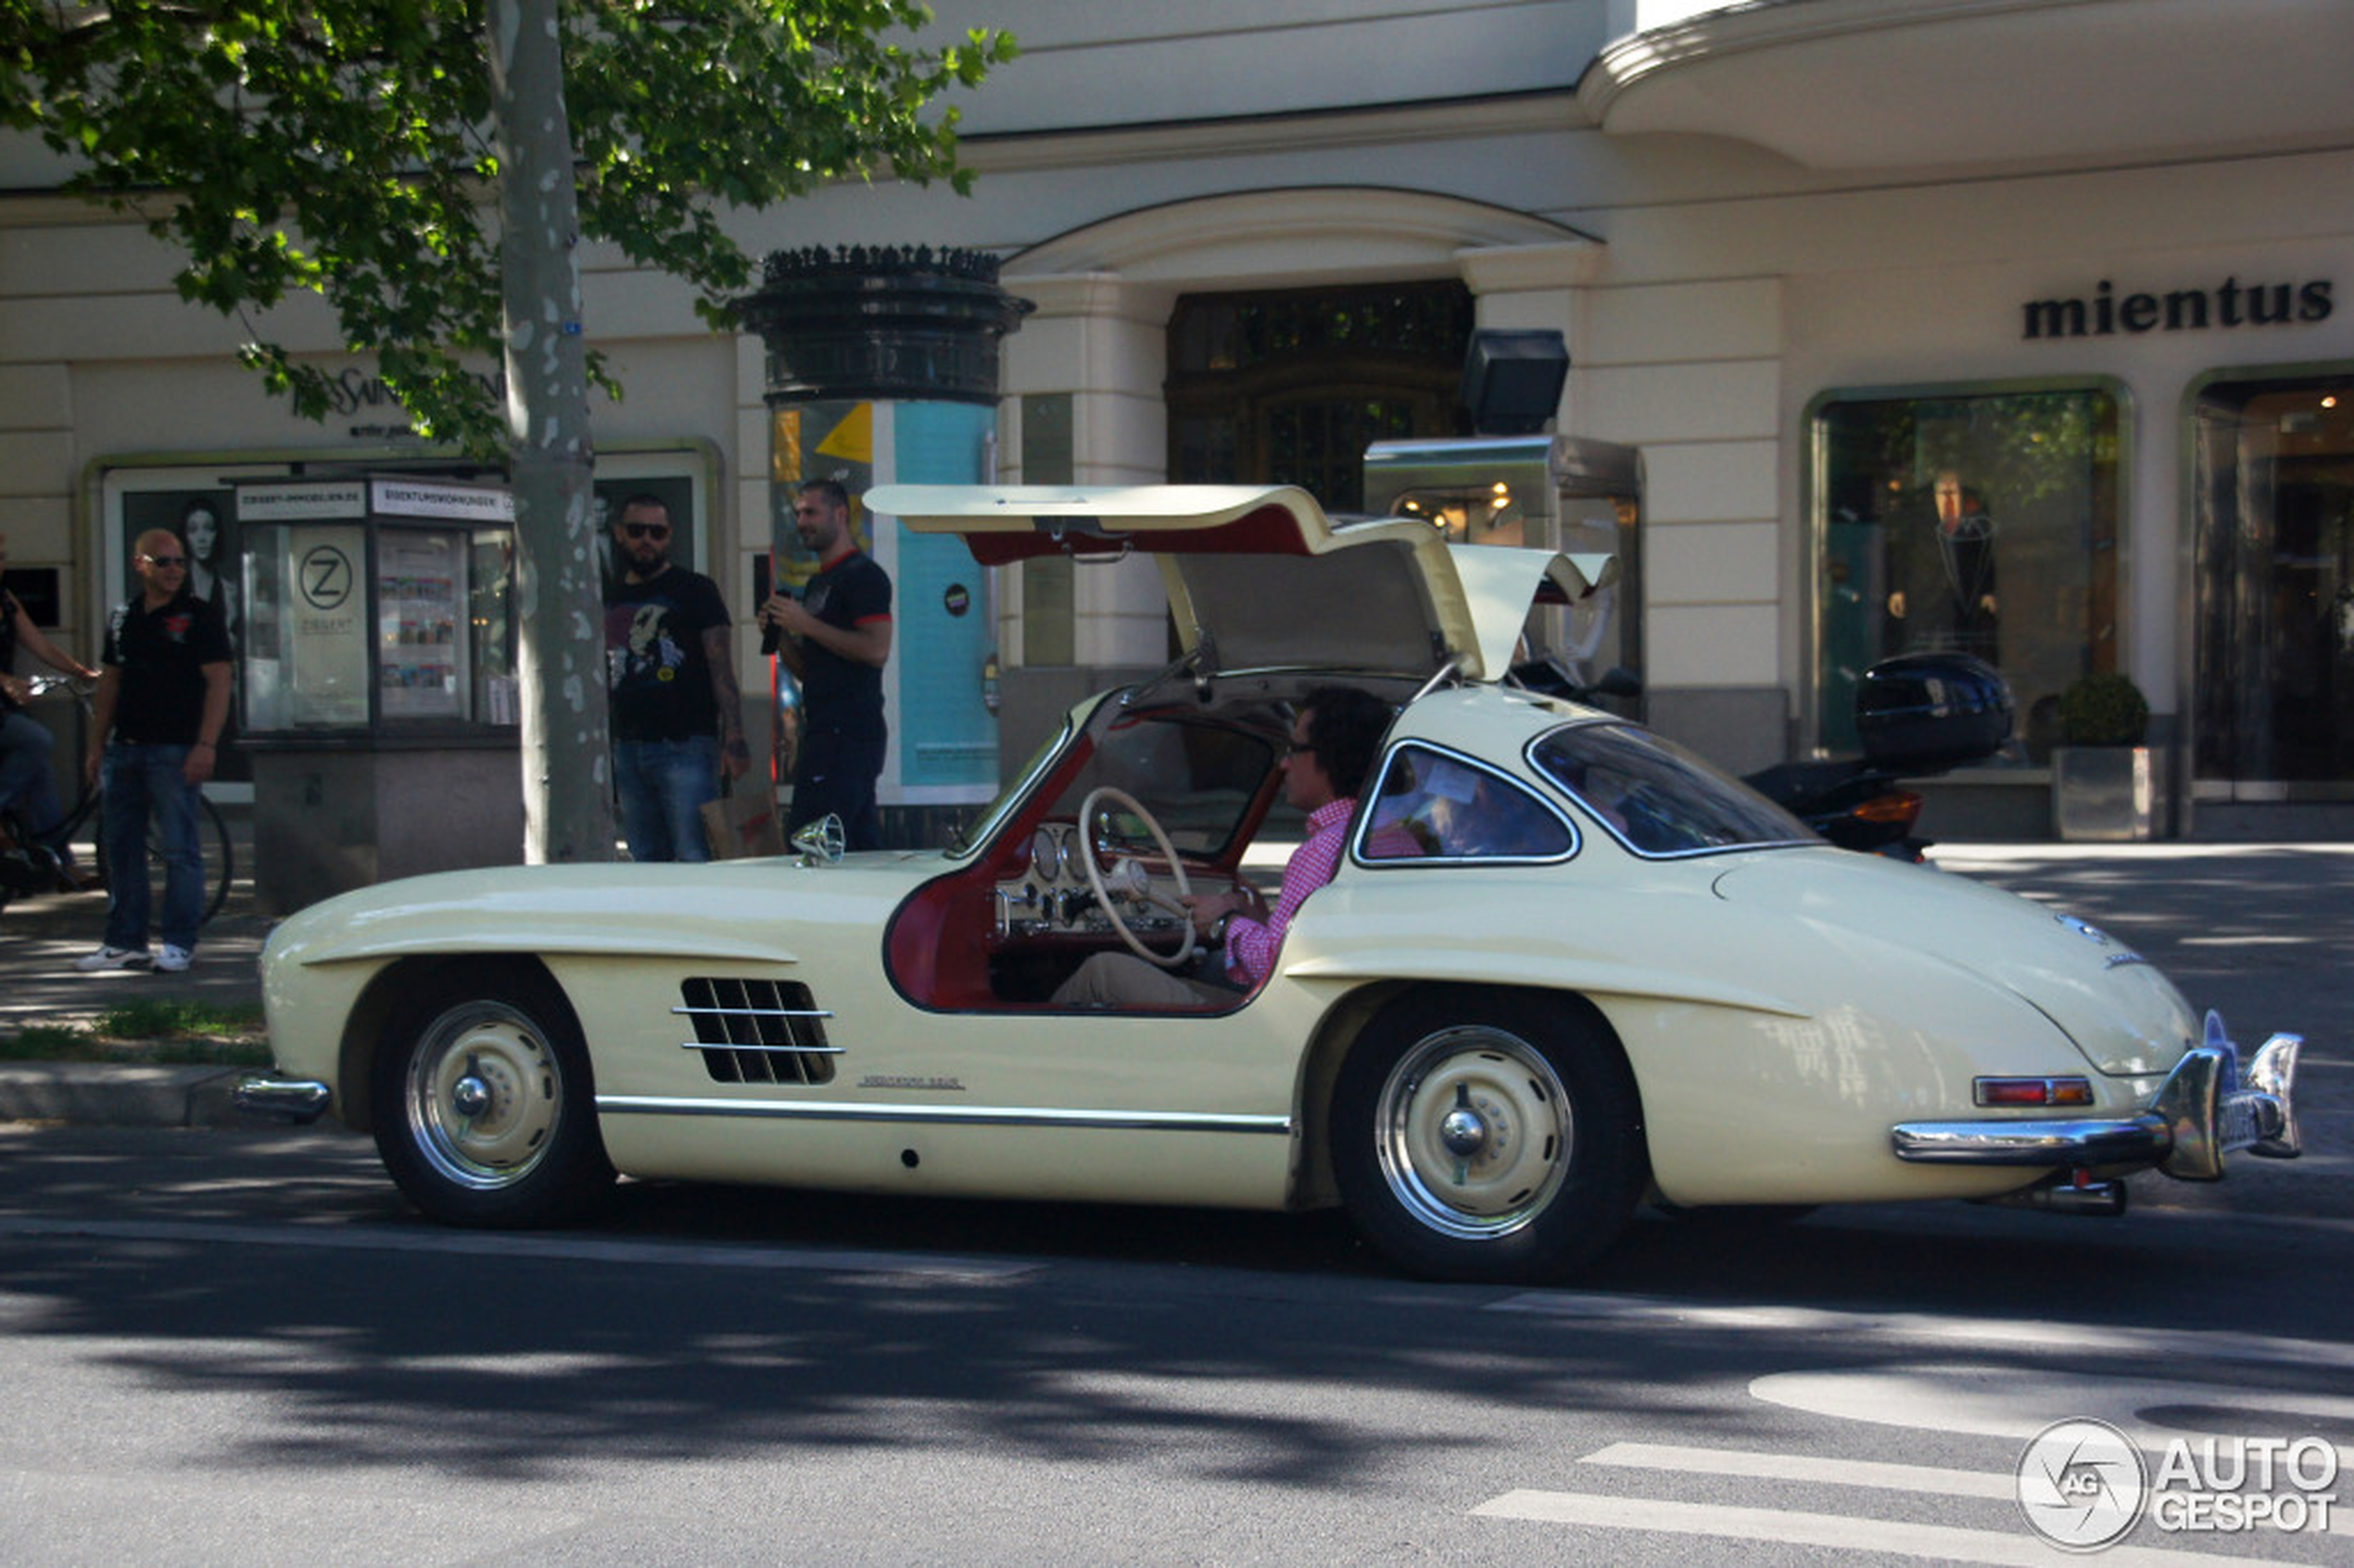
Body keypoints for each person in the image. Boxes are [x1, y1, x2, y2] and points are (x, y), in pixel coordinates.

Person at [1051, 686, 1393, 1010]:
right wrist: (1260, 920)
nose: (1284, 764)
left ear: (1330, 757)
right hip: (1327, 1013)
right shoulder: (1390, 837)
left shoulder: (1321, 851)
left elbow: (1275, 965)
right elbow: (1312, 943)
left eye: (1294, 750)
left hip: (1275, 1024)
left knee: (1103, 972)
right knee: (1207, 968)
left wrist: (1225, 920)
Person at [78, 529, 232, 973]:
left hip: (175, 748)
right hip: (125, 748)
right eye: (163, 562)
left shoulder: (198, 615)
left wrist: (206, 743)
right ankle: (125, 941)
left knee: (180, 849)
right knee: (121, 848)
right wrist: (95, 745)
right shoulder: (124, 616)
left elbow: (219, 680)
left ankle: (179, 942)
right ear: (140, 564)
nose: (174, 570)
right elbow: (110, 681)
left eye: (179, 562)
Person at [602, 494, 750, 862]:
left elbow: (722, 667)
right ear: (620, 534)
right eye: (637, 531)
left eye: (658, 531)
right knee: (645, 855)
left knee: (694, 853)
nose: (647, 540)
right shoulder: (610, 595)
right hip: (628, 745)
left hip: (685, 745)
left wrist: (735, 737)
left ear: (669, 536)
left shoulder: (696, 590)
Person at [758, 479, 892, 851]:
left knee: (810, 840)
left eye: (811, 512)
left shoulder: (864, 576)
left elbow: (877, 649)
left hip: (848, 734)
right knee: (857, 847)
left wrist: (806, 624)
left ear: (840, 514)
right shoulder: (819, 583)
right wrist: (782, 634)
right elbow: (809, 670)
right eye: (798, 513)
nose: (802, 521)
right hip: (821, 729)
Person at [0, 532, 103, 885]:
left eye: (1, 556)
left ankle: (59, 861)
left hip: (7, 707)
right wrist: (4, 680)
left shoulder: (7, 600)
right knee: (38, 740)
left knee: (42, 773)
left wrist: (81, 672)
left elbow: (38, 643)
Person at [1886, 468, 1998, 663]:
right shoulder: (1916, 501)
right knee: (1918, 650)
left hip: (1962, 593)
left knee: (1960, 652)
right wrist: (1898, 589)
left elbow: (1984, 549)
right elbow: (1903, 547)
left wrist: (1987, 590)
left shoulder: (1974, 499)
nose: (1948, 479)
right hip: (1923, 589)